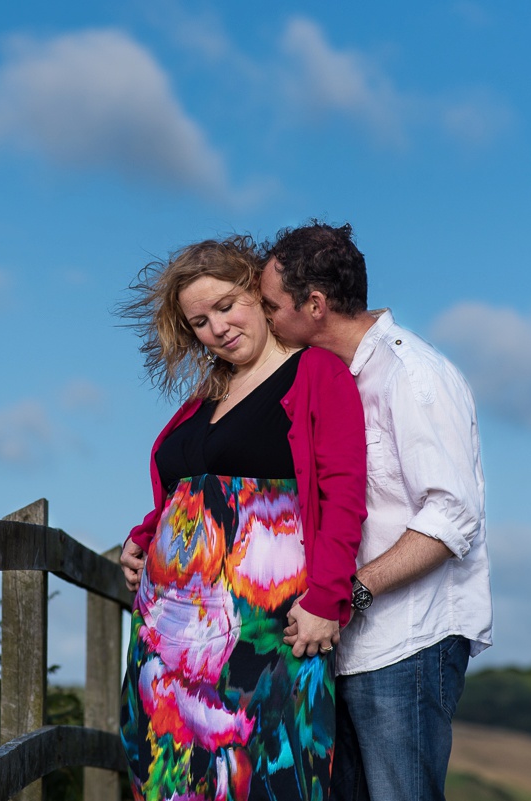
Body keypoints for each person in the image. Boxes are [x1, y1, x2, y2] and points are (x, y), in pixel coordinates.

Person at [117, 235, 367, 800]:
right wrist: (145, 535)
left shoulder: (317, 373)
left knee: (258, 773)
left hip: (261, 623)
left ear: (257, 292)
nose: (218, 328)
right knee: (168, 774)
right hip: (169, 630)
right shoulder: (209, 392)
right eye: (200, 321)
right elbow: (187, 488)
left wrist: (328, 599)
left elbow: (344, 491)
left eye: (227, 305)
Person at [259, 221, 493, 801]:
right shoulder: (332, 380)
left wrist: (347, 593)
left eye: (269, 305)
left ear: (314, 305)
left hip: (406, 643)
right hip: (345, 647)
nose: (262, 318)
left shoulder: (412, 375)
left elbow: (451, 517)